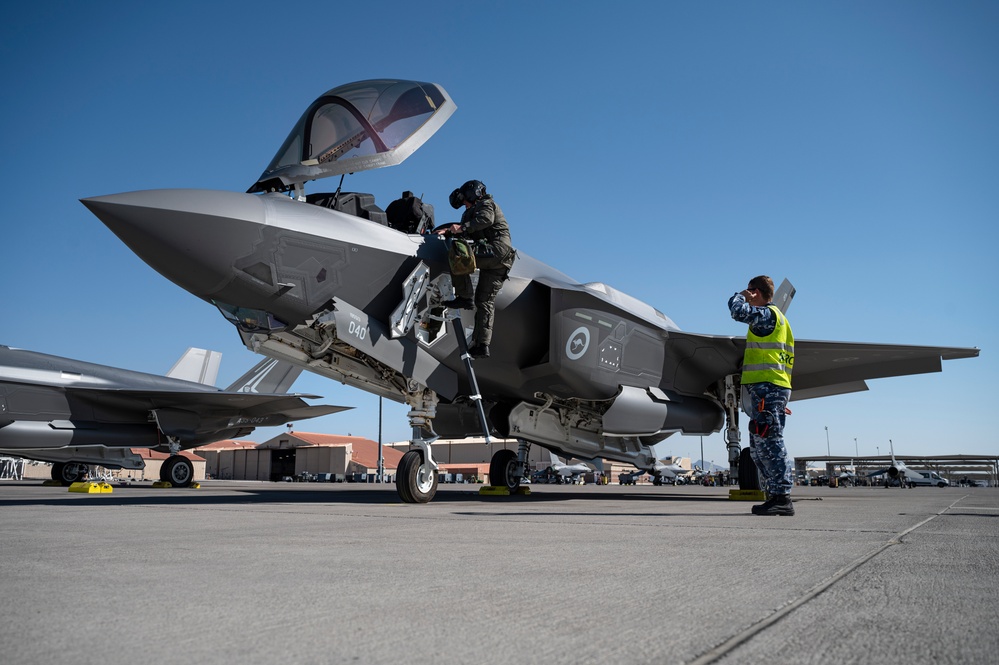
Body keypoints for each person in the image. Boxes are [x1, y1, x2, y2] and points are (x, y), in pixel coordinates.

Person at [729, 275, 796, 516]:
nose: (746, 293)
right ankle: (774, 495)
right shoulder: (777, 320)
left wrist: (740, 297)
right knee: (759, 445)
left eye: (750, 290)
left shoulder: (768, 316)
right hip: (765, 389)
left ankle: (782, 497)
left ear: (756, 292)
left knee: (770, 442)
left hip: (769, 388)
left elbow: (737, 311)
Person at [435, 180, 514, 358]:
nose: (465, 205)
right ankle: (482, 345)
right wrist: (448, 231)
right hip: (502, 260)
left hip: (495, 250)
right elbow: (466, 231)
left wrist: (461, 228)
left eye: (465, 201)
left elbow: (485, 220)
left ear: (471, 194)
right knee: (484, 302)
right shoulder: (474, 211)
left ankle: (464, 297)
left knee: (458, 255)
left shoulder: (487, 204)